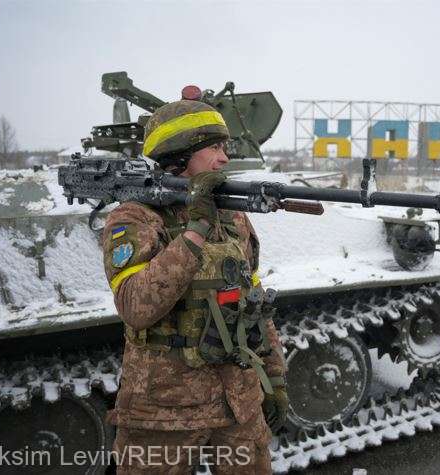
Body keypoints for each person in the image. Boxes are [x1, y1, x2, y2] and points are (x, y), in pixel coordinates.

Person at [102, 93, 288, 474]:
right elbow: (136, 307)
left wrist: (274, 377)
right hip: (163, 414)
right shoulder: (134, 219)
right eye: (214, 148)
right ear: (180, 155)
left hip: (237, 403)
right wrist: (194, 233)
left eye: (225, 147)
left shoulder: (232, 216)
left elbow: (251, 302)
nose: (225, 158)